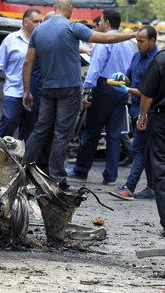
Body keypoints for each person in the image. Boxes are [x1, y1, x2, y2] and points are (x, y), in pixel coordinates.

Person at [21, 0, 135, 190]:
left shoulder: (39, 31)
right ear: (70, 10)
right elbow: (105, 39)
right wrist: (132, 34)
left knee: (41, 129)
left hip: (47, 88)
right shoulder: (73, 27)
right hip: (70, 88)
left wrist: (26, 90)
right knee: (61, 133)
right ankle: (57, 177)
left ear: (54, 9)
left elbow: (27, 62)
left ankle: (23, 170)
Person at [66, 9, 135, 186]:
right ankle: (110, 176)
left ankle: (80, 171)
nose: (98, 25)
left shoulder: (103, 42)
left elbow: (95, 67)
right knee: (114, 134)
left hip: (105, 87)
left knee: (91, 132)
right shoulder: (129, 43)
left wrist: (87, 90)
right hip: (121, 87)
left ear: (107, 23)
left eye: (101, 21)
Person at [0, 9, 42, 140]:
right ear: (25, 22)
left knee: (30, 130)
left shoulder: (42, 41)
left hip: (34, 93)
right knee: (9, 121)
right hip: (14, 91)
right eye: (36, 21)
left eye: (41, 21)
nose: (39, 24)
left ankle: (23, 159)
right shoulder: (11, 39)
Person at [114, 25, 158, 199]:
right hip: (136, 109)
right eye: (137, 40)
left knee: (139, 149)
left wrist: (127, 90)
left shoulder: (157, 61)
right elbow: (129, 79)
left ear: (153, 41)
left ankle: (129, 187)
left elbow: (150, 92)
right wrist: (121, 79)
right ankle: (152, 188)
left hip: (149, 111)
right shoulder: (136, 57)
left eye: (141, 41)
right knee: (145, 151)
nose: (138, 44)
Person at [136, 50, 165, 237]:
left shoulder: (161, 59)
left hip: (162, 119)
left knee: (161, 168)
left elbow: (147, 93)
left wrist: (142, 116)